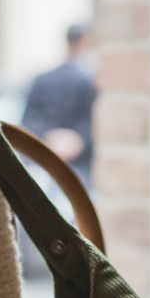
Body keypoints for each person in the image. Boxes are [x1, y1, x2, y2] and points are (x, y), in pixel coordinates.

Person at [20, 24, 97, 186]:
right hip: (55, 162)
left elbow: (29, 120)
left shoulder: (43, 79)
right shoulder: (88, 81)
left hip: (56, 159)